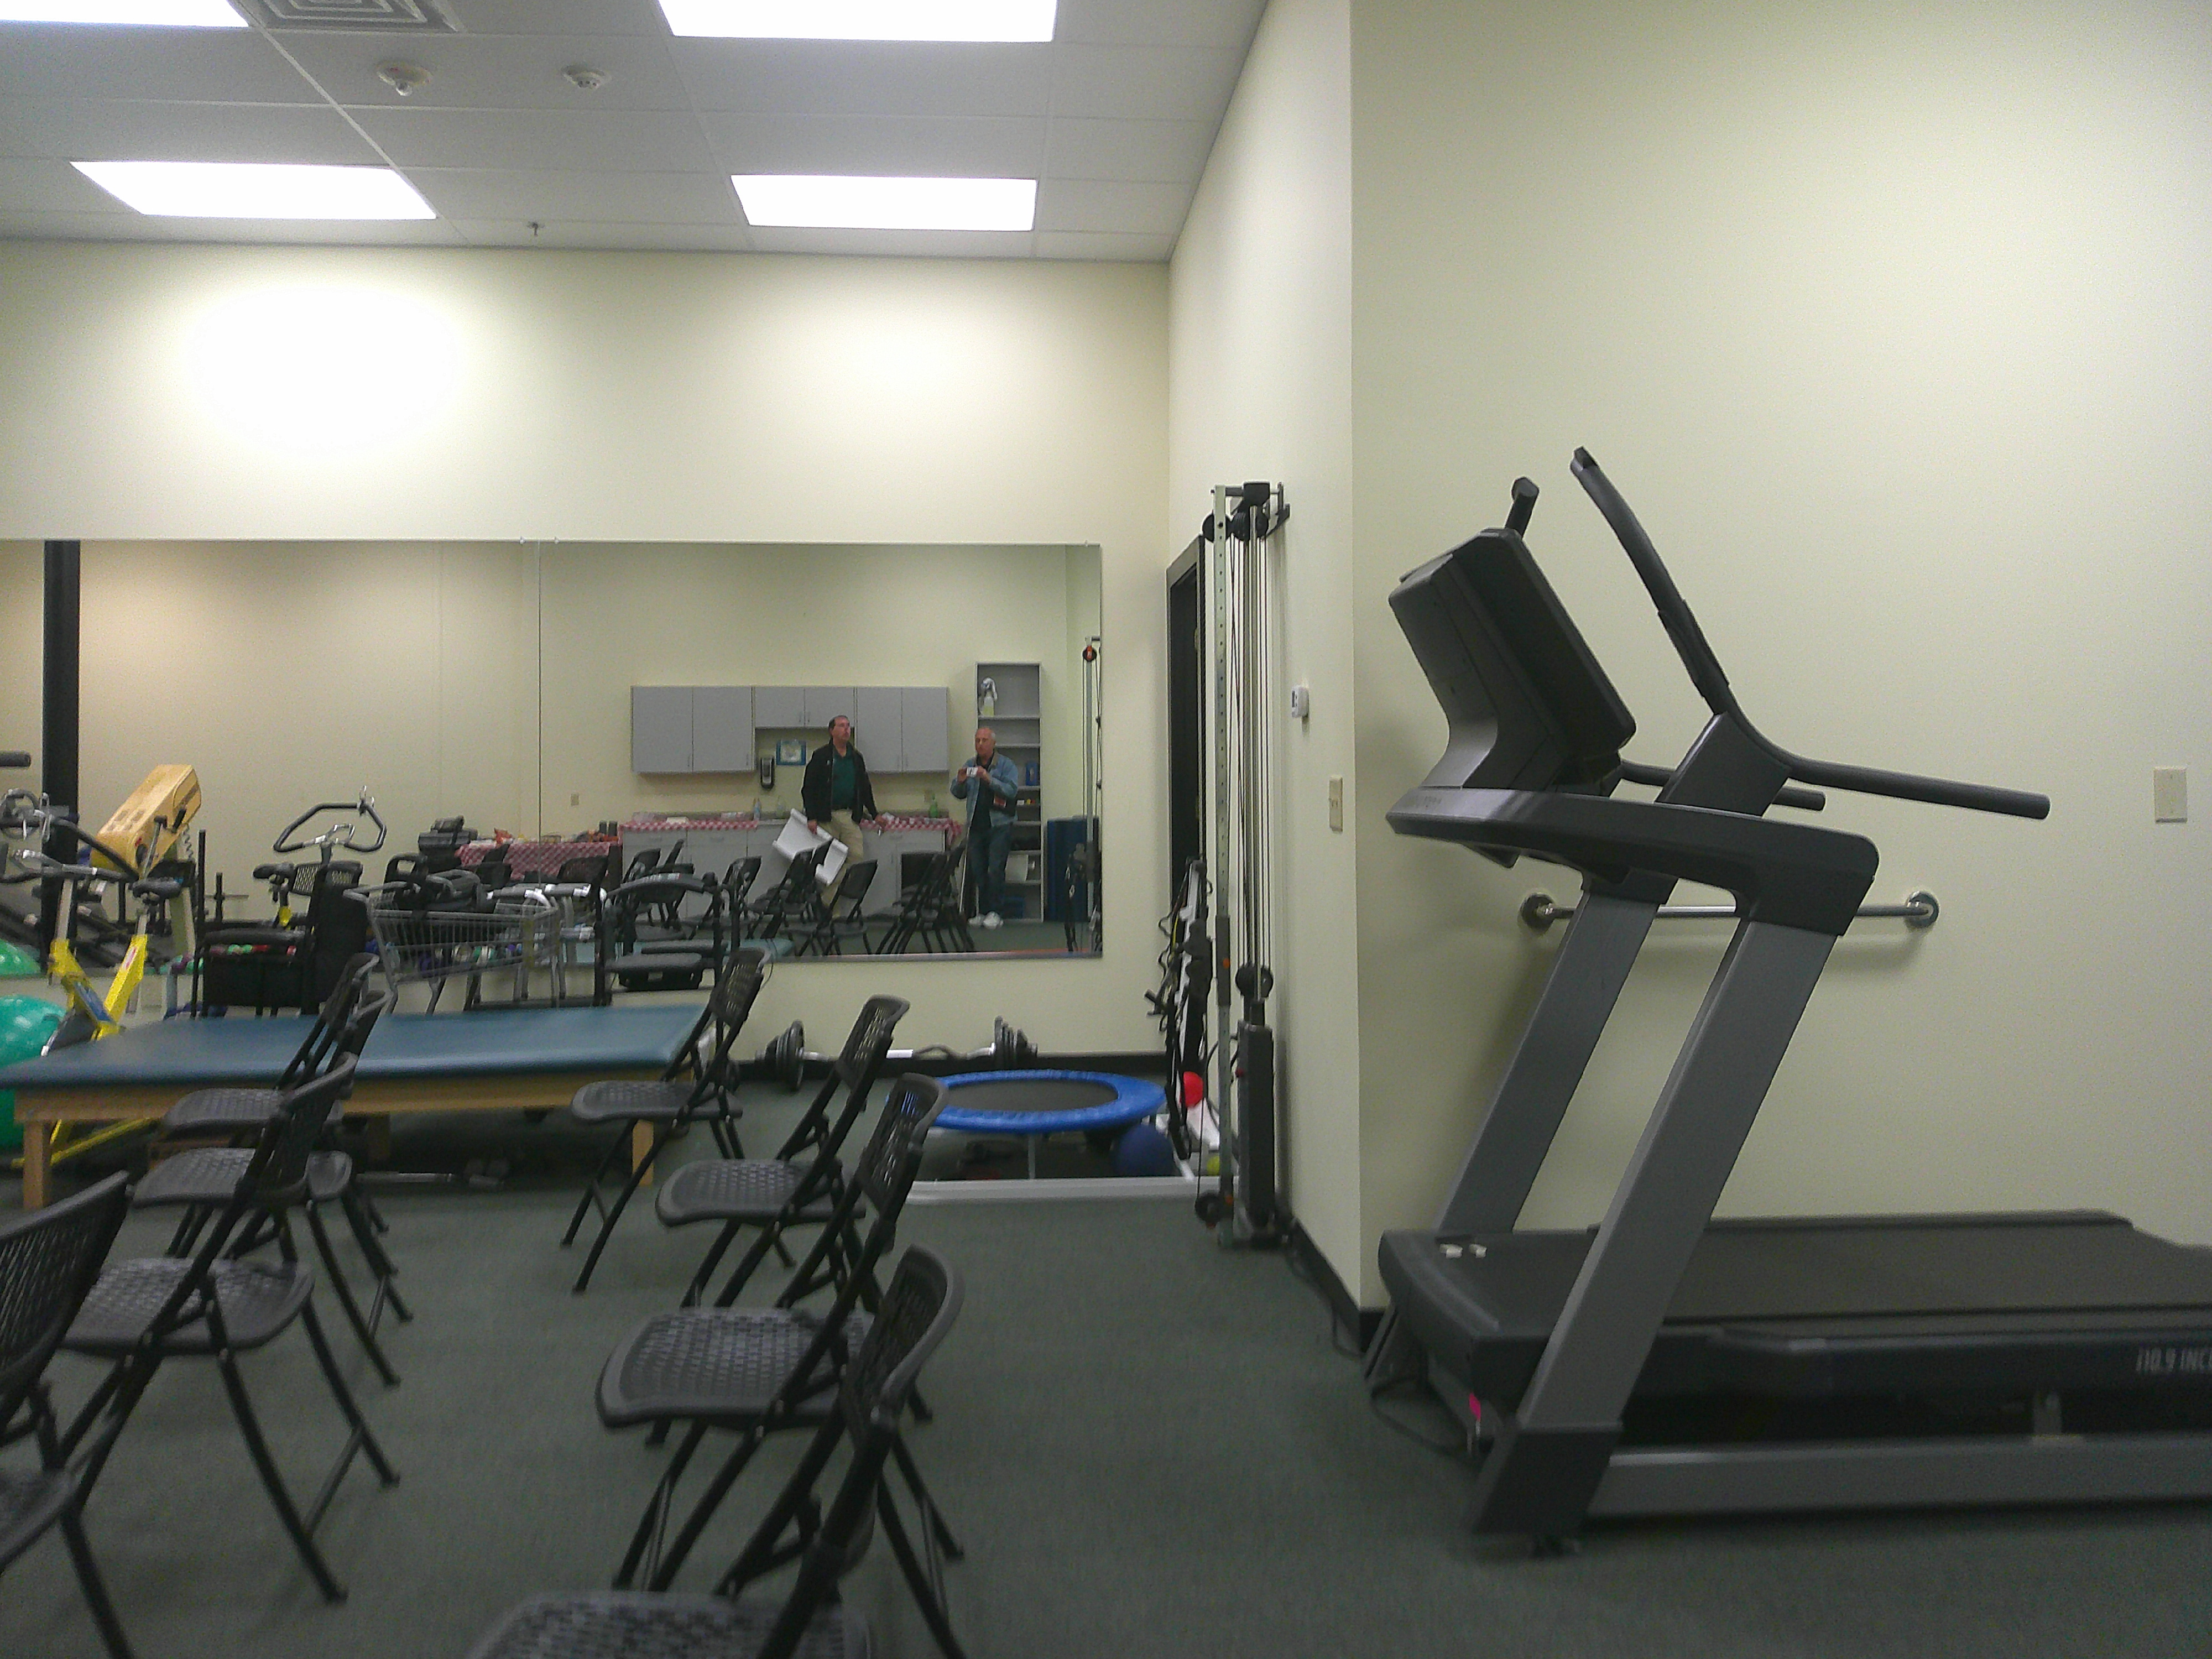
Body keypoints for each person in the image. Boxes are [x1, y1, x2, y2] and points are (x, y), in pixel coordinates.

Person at [800, 714, 879, 902]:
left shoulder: (856, 758)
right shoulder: (821, 756)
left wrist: (875, 814)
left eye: (848, 726)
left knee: (856, 856)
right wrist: (811, 817)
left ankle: (826, 900)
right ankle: (831, 911)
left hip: (849, 816)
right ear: (832, 731)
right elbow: (808, 788)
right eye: (842, 726)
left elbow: (865, 788)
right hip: (826, 817)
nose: (846, 730)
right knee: (827, 865)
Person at [950, 725, 1021, 927]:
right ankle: (982, 911)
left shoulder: (1006, 765)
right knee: (979, 870)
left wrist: (989, 779)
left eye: (984, 740)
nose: (980, 744)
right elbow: (957, 793)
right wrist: (960, 782)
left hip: (999, 825)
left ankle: (996, 912)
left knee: (995, 869)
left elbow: (1012, 791)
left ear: (993, 743)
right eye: (977, 741)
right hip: (976, 825)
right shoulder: (969, 764)